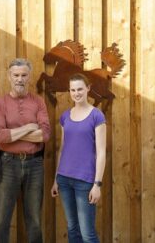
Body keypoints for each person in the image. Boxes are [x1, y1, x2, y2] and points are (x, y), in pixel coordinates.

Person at [0, 58, 51, 243]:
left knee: (34, 219)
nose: (20, 79)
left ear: (29, 77)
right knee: (2, 219)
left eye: (24, 75)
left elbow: (45, 135)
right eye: (16, 75)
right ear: (9, 76)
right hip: (7, 164)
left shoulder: (38, 101)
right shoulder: (0, 103)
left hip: (35, 164)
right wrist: (28, 128)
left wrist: (14, 134)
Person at [51, 73, 106, 243]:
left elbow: (102, 152)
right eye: (73, 90)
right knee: (72, 228)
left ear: (88, 88)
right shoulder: (65, 116)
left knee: (87, 233)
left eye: (80, 89)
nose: (76, 93)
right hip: (64, 180)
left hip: (85, 181)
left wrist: (97, 185)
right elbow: (62, 150)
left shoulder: (97, 116)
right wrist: (55, 180)